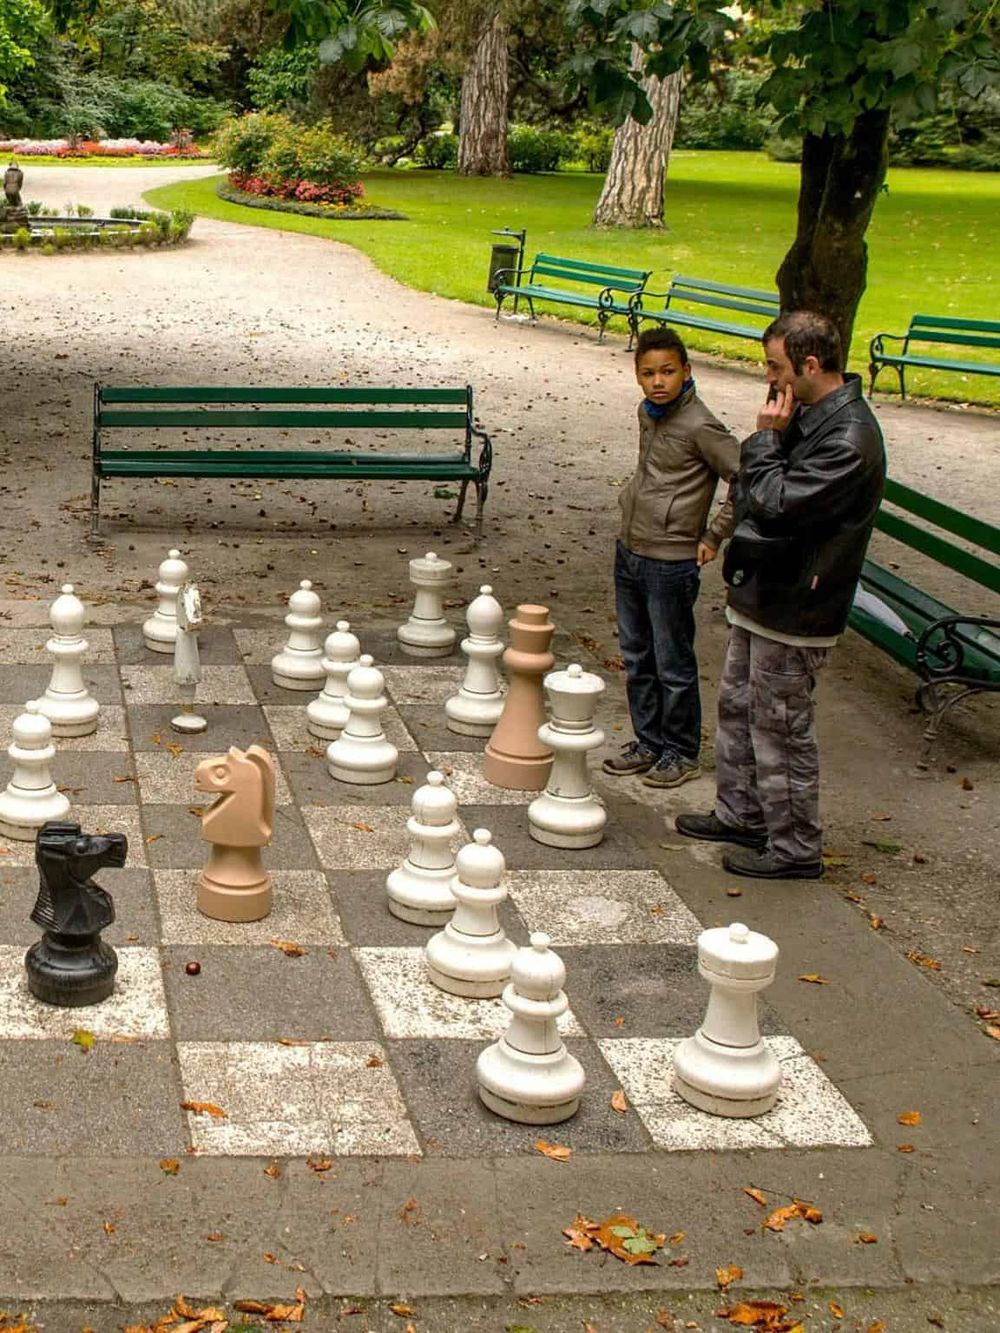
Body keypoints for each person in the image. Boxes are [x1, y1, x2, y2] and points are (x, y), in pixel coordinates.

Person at [676, 309, 886, 879]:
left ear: (809, 364)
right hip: (767, 591)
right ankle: (741, 812)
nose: (769, 379)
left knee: (782, 725)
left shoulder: (849, 438)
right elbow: (752, 482)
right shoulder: (810, 414)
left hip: (800, 603)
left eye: (775, 366)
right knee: (740, 707)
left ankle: (795, 847)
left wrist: (767, 437)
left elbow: (776, 500)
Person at [603, 326, 740, 788]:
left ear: (686, 370)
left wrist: (715, 534)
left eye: (667, 371)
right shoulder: (649, 413)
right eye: (648, 373)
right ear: (637, 376)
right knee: (637, 655)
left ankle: (681, 750)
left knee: (671, 661)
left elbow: (747, 478)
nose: (658, 381)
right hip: (632, 548)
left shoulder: (701, 425)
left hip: (671, 559)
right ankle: (649, 741)